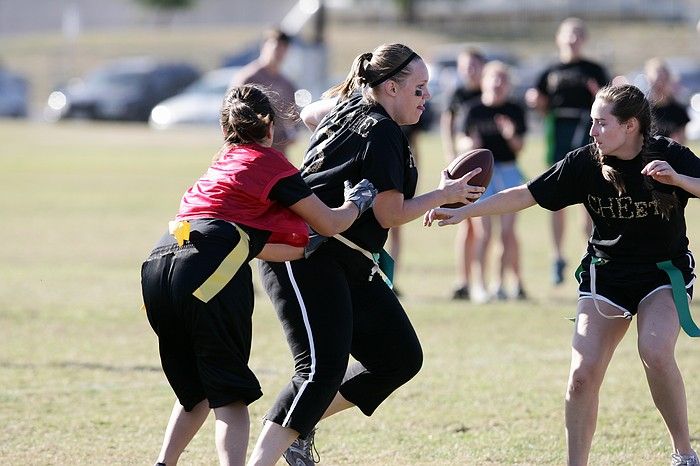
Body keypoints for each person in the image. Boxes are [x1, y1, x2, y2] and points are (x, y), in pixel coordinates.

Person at [426, 84, 699, 466]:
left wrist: (680, 181)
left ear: (631, 125)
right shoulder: (585, 162)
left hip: (661, 275)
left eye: (601, 123)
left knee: (654, 350)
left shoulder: (669, 155)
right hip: (607, 276)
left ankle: (684, 453)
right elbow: (526, 193)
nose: (592, 132)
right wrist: (464, 212)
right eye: (591, 122)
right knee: (582, 376)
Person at [246, 43, 484, 466]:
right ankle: (267, 454)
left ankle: (300, 425)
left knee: (398, 357)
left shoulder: (358, 109)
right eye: (419, 88)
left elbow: (310, 113)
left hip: (347, 257)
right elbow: (390, 213)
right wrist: (443, 195)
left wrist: (347, 103)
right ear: (390, 87)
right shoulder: (382, 131)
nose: (427, 96)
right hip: (306, 253)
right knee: (319, 371)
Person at [140, 84, 377, 466]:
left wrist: (305, 247)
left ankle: (162, 463)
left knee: (195, 391)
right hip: (205, 269)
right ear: (269, 127)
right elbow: (331, 223)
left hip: (159, 261)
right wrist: (358, 201)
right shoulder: (269, 164)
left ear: (226, 130)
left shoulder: (220, 166)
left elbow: (247, 242)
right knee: (230, 395)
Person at [526, 17, 610, 285]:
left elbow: (610, 102)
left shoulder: (594, 69)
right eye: (568, 34)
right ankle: (557, 257)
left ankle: (593, 254)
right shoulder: (549, 70)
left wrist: (599, 94)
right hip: (558, 132)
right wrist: (536, 102)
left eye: (577, 35)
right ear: (558, 39)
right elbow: (540, 104)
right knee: (556, 196)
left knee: (590, 196)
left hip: (587, 130)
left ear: (583, 39)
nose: (572, 39)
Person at [458, 61, 528, 302]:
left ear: (508, 85)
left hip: (508, 171)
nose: (498, 84)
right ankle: (479, 285)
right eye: (493, 78)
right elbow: (462, 142)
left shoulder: (514, 110)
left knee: (507, 232)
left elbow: (519, 147)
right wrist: (471, 145)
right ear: (485, 81)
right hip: (480, 174)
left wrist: (510, 135)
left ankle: (500, 284)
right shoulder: (472, 109)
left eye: (503, 79)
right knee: (483, 232)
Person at [440, 47, 486, 300]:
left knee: (483, 226)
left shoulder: (488, 92)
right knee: (464, 224)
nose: (470, 70)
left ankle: (481, 282)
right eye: (465, 65)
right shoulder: (458, 94)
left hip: (486, 167)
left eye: (474, 65)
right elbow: (447, 124)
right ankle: (463, 280)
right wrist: (451, 154)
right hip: (462, 162)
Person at [232, 28, 298, 156]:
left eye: (283, 48)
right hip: (252, 151)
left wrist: (292, 132)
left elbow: (293, 116)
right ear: (264, 46)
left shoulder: (287, 83)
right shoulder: (248, 78)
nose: (279, 52)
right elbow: (232, 115)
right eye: (276, 47)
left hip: (278, 152)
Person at [645, 57, 690, 145]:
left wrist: (676, 143)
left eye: (663, 80)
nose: (660, 84)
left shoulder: (679, 111)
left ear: (669, 80)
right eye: (656, 80)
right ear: (649, 80)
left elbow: (682, 143)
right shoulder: (642, 109)